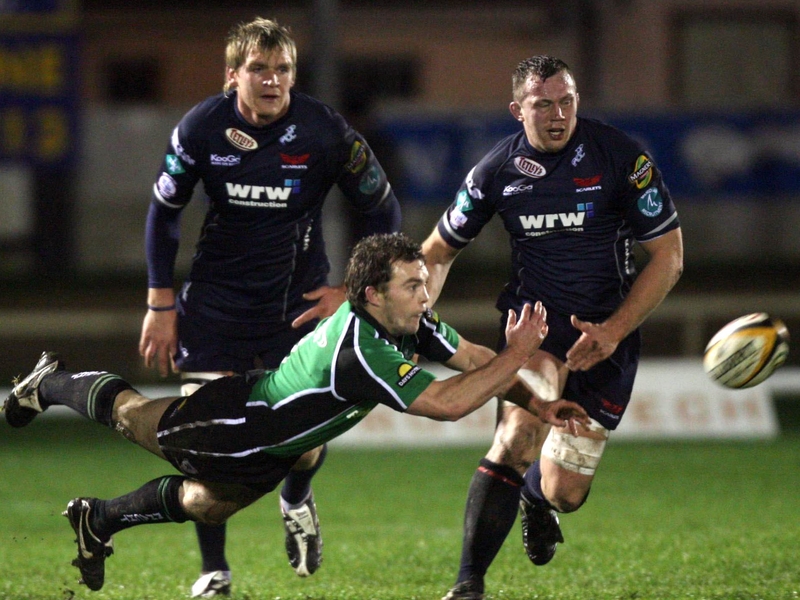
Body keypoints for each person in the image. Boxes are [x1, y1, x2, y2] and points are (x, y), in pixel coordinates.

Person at [3, 232, 589, 594]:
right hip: (236, 424)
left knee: (209, 503)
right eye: (412, 286)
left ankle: (98, 520)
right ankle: (46, 383)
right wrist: (517, 356)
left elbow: (471, 360)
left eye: (422, 283)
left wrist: (534, 399)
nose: (424, 294)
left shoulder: (410, 321)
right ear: (372, 296)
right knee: (130, 414)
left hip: (272, 446)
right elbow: (449, 402)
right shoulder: (362, 346)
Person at [136, 17, 401, 597]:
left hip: (295, 309)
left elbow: (383, 211)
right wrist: (159, 303)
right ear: (234, 76)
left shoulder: (325, 131)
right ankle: (214, 570)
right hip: (214, 308)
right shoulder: (202, 127)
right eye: (259, 68)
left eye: (283, 69)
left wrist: (352, 293)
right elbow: (164, 213)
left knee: (302, 445)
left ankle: (298, 498)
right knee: (204, 444)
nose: (273, 80)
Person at [421, 56, 684, 600]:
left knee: (567, 493)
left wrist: (612, 329)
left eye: (567, 101)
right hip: (533, 334)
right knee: (516, 438)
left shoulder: (619, 157)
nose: (558, 114)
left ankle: (537, 501)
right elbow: (439, 251)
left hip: (606, 337)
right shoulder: (495, 171)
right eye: (544, 104)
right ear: (518, 110)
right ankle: (468, 584)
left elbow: (668, 257)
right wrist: (413, 310)